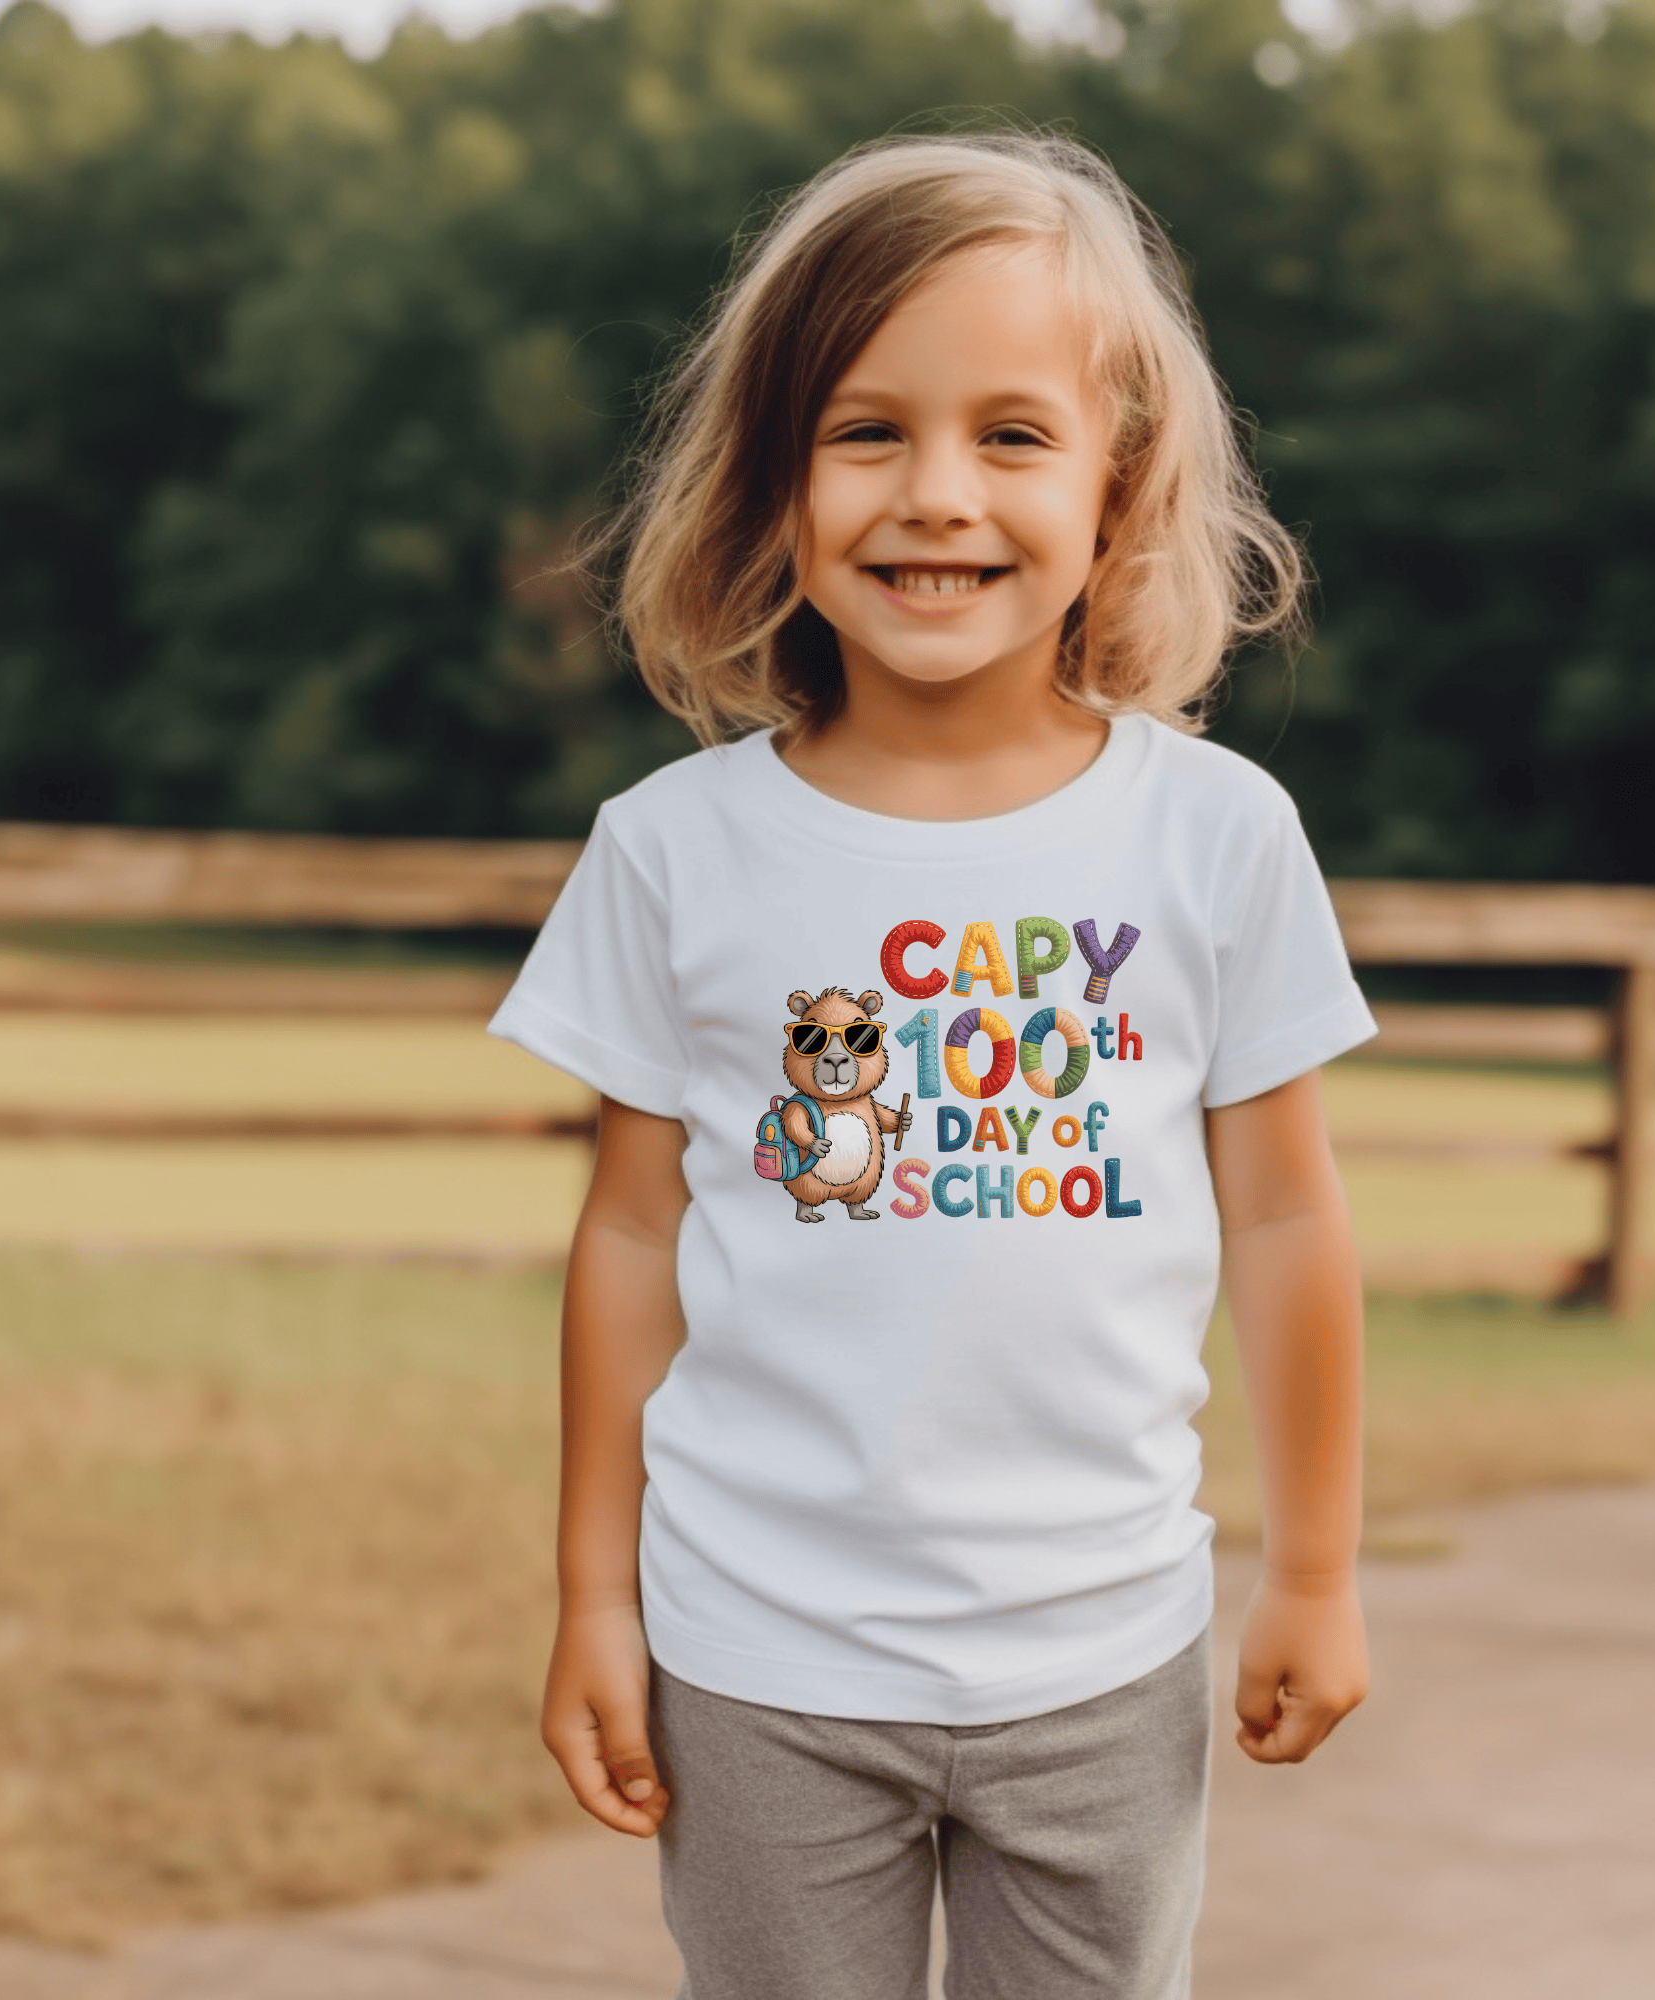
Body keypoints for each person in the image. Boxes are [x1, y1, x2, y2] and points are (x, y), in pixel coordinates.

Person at [487, 130, 1377, 2000]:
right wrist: (592, 1598)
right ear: (777, 477)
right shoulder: (672, 851)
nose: (936, 495)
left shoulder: (1219, 838)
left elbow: (1289, 1220)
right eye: (867, 430)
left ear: (1120, 480)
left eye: (1014, 435)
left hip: (1101, 1657)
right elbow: (633, 1244)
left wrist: (1312, 1569)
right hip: (758, 1663)